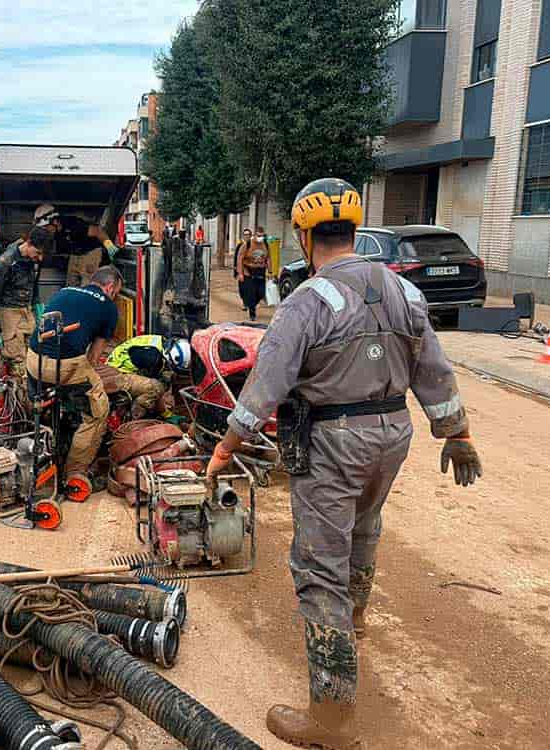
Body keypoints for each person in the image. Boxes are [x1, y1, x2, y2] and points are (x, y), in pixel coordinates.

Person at [205, 178, 483, 749]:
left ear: (306, 237)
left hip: (335, 441)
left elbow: (265, 385)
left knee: (318, 564)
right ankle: (352, 623)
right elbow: (433, 367)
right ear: (355, 230)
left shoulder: (308, 301)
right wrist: (457, 432)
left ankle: (329, 715)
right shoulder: (404, 292)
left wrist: (226, 446)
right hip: (392, 433)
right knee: (364, 526)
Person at [27, 266, 124, 484]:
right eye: (116, 293)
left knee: (39, 403)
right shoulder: (108, 307)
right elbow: (93, 357)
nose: (114, 296)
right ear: (110, 288)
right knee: (98, 410)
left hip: (33, 360)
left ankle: (40, 442)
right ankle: (75, 472)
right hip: (65, 366)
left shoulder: (64, 291)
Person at [0, 225, 55, 376]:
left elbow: (34, 286)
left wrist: (38, 309)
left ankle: (32, 389)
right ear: (29, 243)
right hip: (9, 312)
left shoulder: (35, 261)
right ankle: (19, 395)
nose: (40, 258)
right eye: (38, 253)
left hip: (27, 309)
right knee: (17, 358)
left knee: (34, 351)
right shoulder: (6, 261)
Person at [106, 336, 190, 418]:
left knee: (161, 384)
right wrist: (164, 413)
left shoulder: (163, 344)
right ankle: (134, 417)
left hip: (119, 366)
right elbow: (154, 388)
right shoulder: (152, 357)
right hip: (116, 376)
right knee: (156, 387)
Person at [237, 225, 270, 320]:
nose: (260, 238)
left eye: (262, 236)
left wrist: (270, 271)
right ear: (254, 235)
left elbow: (268, 258)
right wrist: (240, 273)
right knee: (251, 293)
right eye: (258, 235)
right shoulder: (247, 244)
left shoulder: (265, 245)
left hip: (261, 271)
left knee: (261, 293)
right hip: (248, 271)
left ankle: (252, 304)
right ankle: (252, 313)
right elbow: (240, 258)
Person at [233, 228, 253, 311]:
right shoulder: (240, 245)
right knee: (242, 288)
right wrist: (236, 271)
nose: (246, 236)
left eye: (248, 234)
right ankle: (245, 302)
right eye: (245, 234)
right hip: (241, 270)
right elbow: (236, 258)